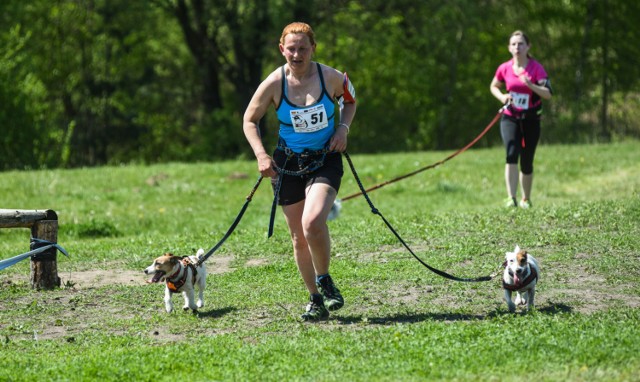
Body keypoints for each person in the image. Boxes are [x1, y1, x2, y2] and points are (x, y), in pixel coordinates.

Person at [243, 22, 357, 321]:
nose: (297, 54)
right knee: (298, 237)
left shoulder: (330, 76)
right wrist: (261, 155)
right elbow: (249, 120)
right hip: (288, 165)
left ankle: (324, 278)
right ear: (282, 49)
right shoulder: (273, 83)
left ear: (313, 49)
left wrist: (342, 129)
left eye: (302, 48)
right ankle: (315, 300)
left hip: (325, 159)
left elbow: (350, 100)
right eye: (291, 49)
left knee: (312, 222)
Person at [490, 30, 552, 208]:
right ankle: (511, 198)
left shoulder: (536, 68)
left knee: (526, 159)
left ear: (528, 46)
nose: (517, 47)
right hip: (510, 117)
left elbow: (548, 94)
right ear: (509, 48)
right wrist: (502, 97)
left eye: (521, 44)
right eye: (514, 44)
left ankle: (526, 198)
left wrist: (530, 85)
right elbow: (494, 86)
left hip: (531, 119)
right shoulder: (504, 68)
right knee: (511, 153)